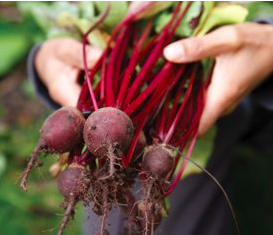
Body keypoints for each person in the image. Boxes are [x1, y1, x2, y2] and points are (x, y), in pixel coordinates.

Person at [28, 22, 273, 235]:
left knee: (172, 213)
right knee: (112, 192)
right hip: (114, 127)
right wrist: (42, 57)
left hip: (228, 88)